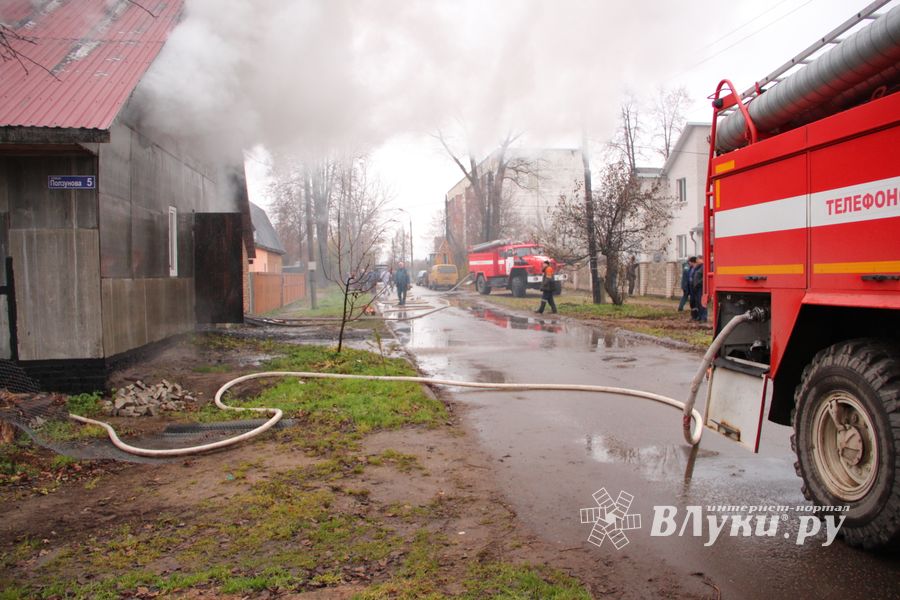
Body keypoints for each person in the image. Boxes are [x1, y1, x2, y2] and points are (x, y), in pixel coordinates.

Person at [690, 256, 706, 322]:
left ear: (702, 260)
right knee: (698, 303)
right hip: (696, 288)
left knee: (702, 303)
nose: (697, 260)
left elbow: (704, 278)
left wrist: (699, 283)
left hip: (701, 288)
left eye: (698, 259)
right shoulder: (698, 267)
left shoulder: (704, 267)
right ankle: (699, 316)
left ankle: (703, 317)